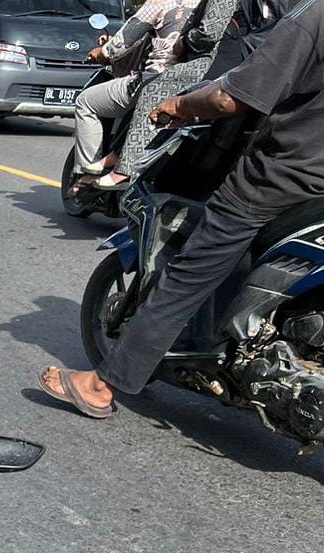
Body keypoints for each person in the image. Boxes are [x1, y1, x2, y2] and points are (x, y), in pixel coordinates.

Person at [37, 0, 324, 419]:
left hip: (280, 179)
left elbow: (229, 97)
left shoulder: (313, 15)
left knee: (190, 273)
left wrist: (179, 106)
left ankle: (102, 385)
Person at [94, 0, 238, 189]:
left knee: (152, 91)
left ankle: (126, 170)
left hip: (209, 61)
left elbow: (209, 33)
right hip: (234, 60)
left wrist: (184, 42)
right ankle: (118, 154)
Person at [72, 0, 201, 190]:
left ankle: (89, 173)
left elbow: (122, 44)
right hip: (200, 84)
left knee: (85, 101)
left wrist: (101, 52)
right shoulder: (211, 7)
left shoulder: (162, 2)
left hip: (156, 78)